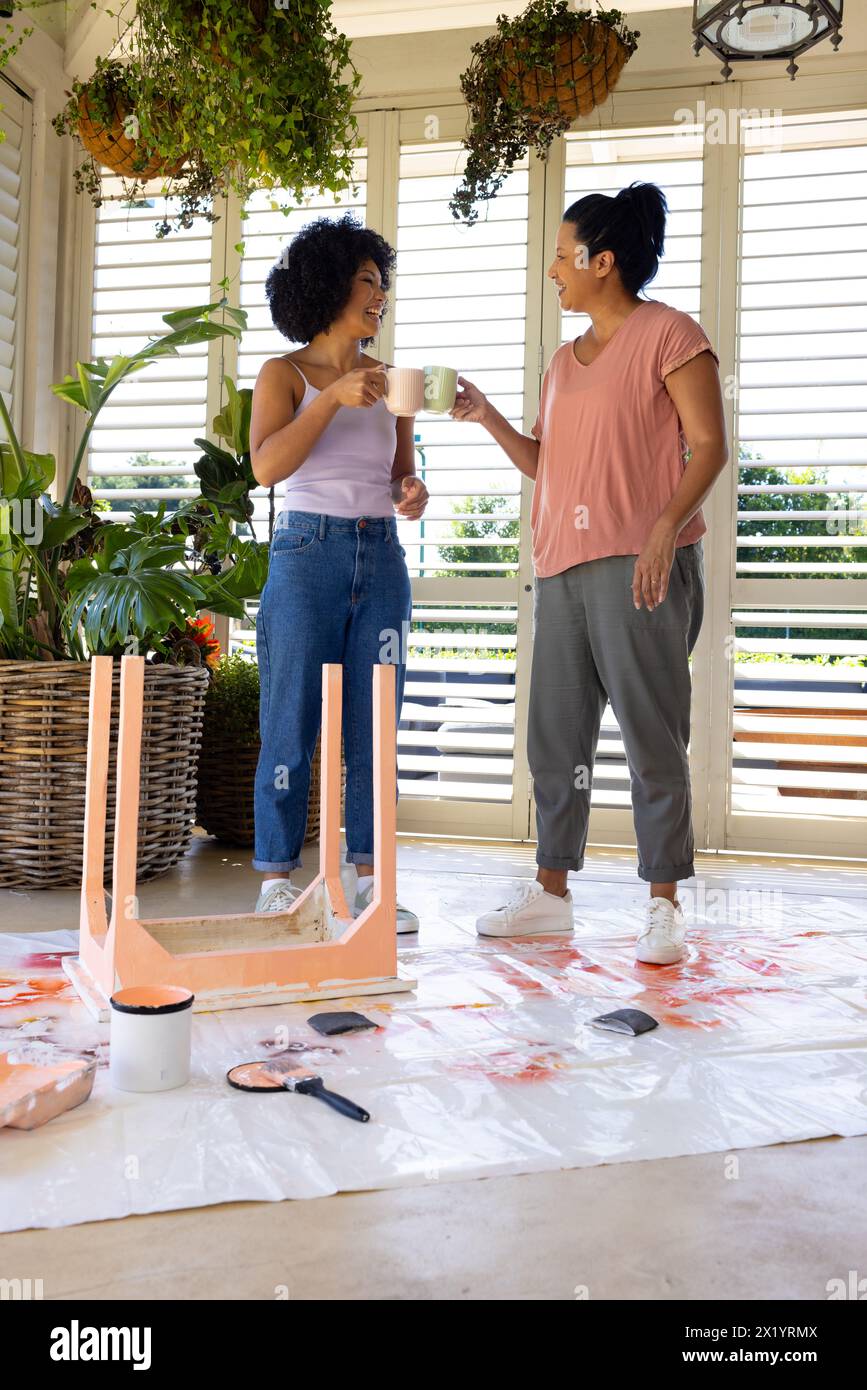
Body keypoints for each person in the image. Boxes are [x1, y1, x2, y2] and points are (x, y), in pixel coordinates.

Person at [451, 182, 728, 964]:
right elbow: (551, 463)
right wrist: (489, 418)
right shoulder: (562, 363)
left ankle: (663, 903)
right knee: (556, 737)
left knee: (651, 737)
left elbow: (706, 445)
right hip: (561, 565)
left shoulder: (670, 334)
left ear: (602, 261)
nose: (553, 270)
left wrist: (662, 531)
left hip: (641, 564)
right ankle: (551, 893)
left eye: (564, 255)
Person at [249, 213, 428, 931]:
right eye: (365, 279)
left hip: (379, 555)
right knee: (288, 720)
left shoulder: (393, 383)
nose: (378, 294)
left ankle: (366, 880)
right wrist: (328, 399)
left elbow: (401, 480)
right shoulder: (283, 372)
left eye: (383, 283)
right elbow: (266, 466)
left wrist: (410, 494)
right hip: (305, 554)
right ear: (327, 284)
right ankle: (275, 877)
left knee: (373, 728)